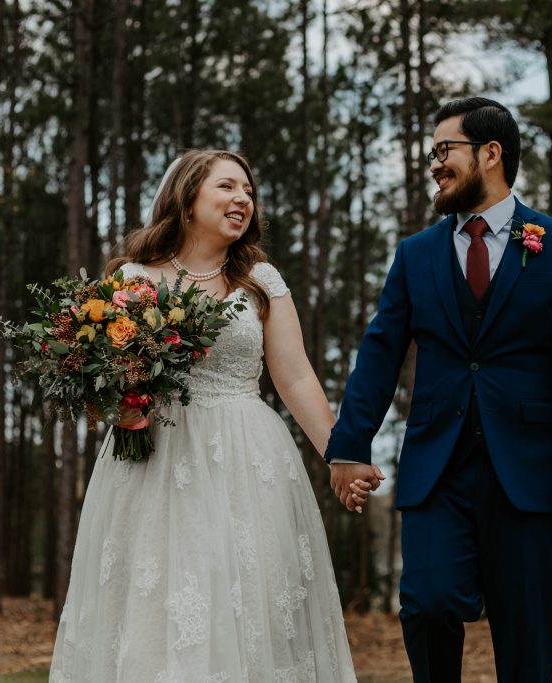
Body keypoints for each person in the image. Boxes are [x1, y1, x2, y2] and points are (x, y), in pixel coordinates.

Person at [50, 149, 374, 682]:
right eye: (227, 187)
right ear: (187, 197)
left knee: (247, 603)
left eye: (248, 191)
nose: (242, 199)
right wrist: (120, 396)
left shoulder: (260, 279)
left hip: (245, 461)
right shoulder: (132, 279)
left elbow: (295, 377)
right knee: (157, 604)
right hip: (154, 461)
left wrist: (341, 454)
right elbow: (100, 378)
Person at [324, 97, 552, 682]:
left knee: (526, 635)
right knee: (427, 604)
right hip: (437, 468)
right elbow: (379, 355)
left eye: (445, 150)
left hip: (530, 471)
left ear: (491, 154)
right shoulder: (415, 255)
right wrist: (349, 445)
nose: (434, 163)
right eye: (432, 152)